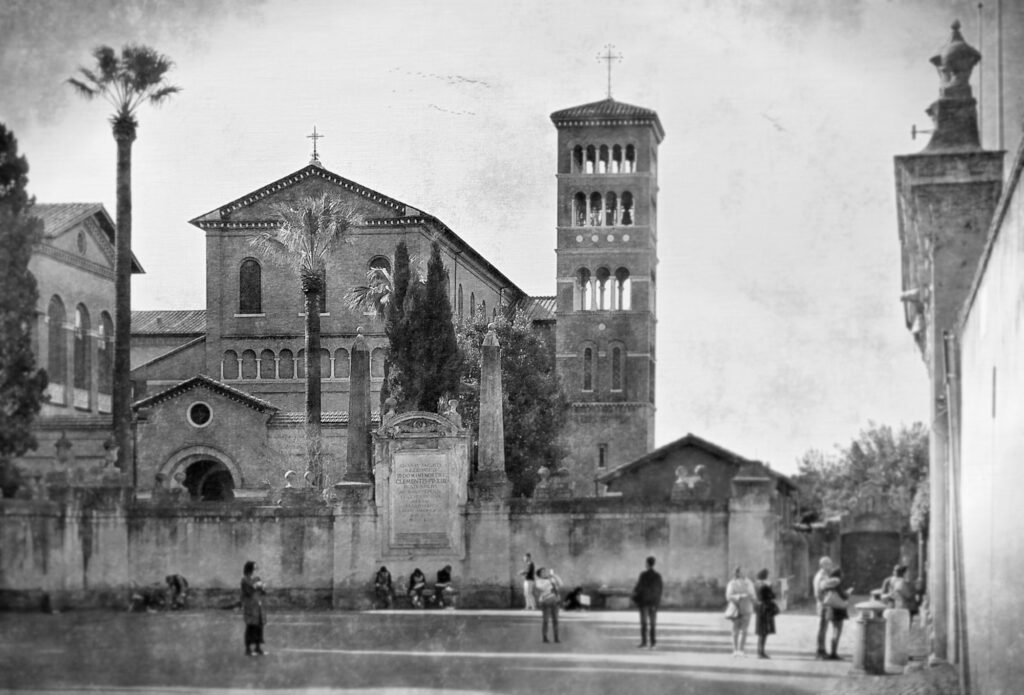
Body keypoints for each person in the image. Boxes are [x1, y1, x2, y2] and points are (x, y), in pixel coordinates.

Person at [633, 555, 663, 650]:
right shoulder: (657, 576)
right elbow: (659, 590)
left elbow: (638, 588)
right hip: (653, 603)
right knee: (653, 624)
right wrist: (657, 602)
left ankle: (644, 642)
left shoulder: (643, 575)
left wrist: (635, 597)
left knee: (644, 623)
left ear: (647, 564)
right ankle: (653, 643)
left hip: (644, 603)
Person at [725, 566, 756, 656]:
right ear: (737, 573)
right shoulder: (732, 583)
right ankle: (735, 650)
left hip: (747, 608)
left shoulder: (749, 582)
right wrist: (739, 596)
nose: (744, 573)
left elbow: (753, 596)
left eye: (745, 571)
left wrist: (751, 597)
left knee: (744, 630)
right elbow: (728, 596)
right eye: (742, 571)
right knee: (735, 630)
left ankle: (741, 650)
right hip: (736, 609)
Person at [824, 568, 854, 660]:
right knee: (837, 631)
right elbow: (844, 595)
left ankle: (832, 652)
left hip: (831, 609)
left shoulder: (829, 583)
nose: (843, 575)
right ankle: (833, 653)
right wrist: (849, 592)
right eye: (841, 573)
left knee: (834, 631)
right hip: (838, 610)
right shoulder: (837, 583)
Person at [813, 556, 839, 659]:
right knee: (822, 628)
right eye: (828, 564)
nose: (831, 566)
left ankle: (821, 650)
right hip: (823, 604)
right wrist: (835, 581)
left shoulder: (822, 574)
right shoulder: (822, 576)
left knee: (823, 628)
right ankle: (820, 651)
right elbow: (823, 586)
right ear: (823, 565)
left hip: (823, 603)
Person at [240, 560, 266, 656]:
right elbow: (248, 591)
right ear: (250, 569)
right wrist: (256, 586)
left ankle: (258, 647)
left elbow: (262, 591)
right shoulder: (244, 579)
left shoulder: (257, 578)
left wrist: (262, 587)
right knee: (250, 627)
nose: (256, 570)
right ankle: (248, 649)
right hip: (250, 607)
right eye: (255, 568)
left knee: (259, 627)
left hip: (258, 606)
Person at [754, 568, 778, 659]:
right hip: (765, 608)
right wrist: (770, 586)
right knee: (764, 632)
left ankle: (760, 651)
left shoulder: (756, 584)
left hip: (760, 608)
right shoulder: (765, 586)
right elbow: (773, 596)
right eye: (768, 575)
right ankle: (761, 652)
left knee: (761, 632)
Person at [534, 566, 562, 643]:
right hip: (545, 602)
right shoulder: (538, 581)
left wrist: (555, 576)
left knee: (555, 620)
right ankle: (545, 637)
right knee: (546, 620)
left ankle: (556, 637)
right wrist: (549, 581)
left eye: (545, 571)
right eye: (542, 572)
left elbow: (561, 584)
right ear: (539, 574)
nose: (545, 573)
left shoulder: (551, 579)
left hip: (555, 601)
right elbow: (541, 588)